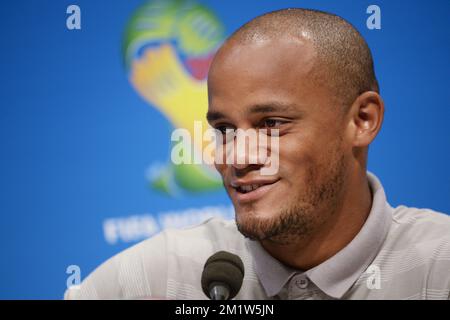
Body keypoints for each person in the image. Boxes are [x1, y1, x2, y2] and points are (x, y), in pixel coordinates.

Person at [65, 8, 450, 300]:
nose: (238, 157)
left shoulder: (440, 264)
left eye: (272, 124)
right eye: (224, 130)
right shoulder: (156, 277)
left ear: (362, 120)